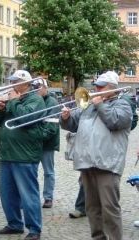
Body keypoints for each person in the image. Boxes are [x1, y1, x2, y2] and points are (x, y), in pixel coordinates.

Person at [59, 71, 132, 240]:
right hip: (86, 162)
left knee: (109, 208)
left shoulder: (122, 105)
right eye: (96, 85)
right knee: (92, 208)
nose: (96, 88)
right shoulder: (88, 106)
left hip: (108, 164)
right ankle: (98, 237)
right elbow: (72, 124)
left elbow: (115, 121)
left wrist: (100, 104)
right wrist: (66, 117)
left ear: (112, 88)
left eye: (101, 86)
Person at [0, 70, 46, 240]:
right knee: (7, 192)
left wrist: (14, 101)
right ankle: (14, 224)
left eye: (15, 81)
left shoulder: (35, 99)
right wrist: (0, 109)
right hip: (7, 153)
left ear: (25, 84)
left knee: (28, 193)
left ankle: (34, 229)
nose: (12, 84)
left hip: (24, 155)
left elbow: (25, 118)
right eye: (12, 81)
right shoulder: (13, 99)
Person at [32, 78, 60, 208]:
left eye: (38, 87)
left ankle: (48, 197)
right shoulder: (33, 100)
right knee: (31, 171)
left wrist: (35, 137)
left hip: (47, 143)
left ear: (45, 88)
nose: (36, 90)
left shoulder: (52, 102)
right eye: (34, 87)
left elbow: (51, 127)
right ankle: (30, 197)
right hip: (34, 142)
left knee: (48, 172)